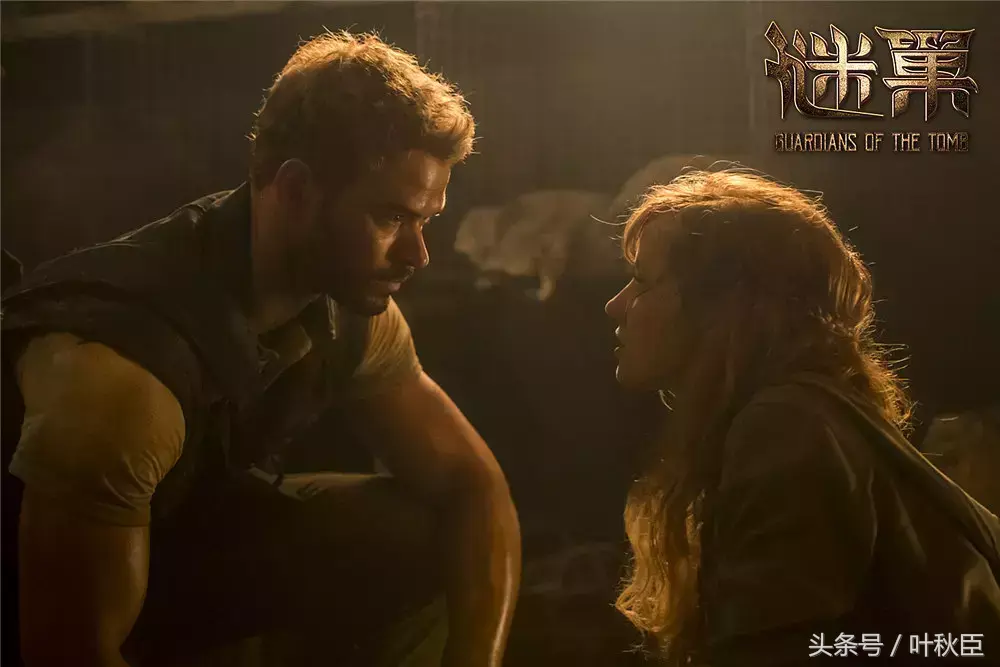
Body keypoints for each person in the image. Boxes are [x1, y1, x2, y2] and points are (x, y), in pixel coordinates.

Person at [1, 31, 520, 667]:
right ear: (296, 191)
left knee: (428, 530)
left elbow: (472, 485)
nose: (419, 255)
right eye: (391, 217)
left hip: (173, 543)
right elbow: (65, 652)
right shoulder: (124, 379)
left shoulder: (348, 310)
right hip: (33, 602)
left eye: (425, 220)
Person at [604, 170, 1000, 666]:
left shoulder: (784, 428)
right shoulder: (803, 416)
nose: (615, 305)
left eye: (642, 282)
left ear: (724, 307)